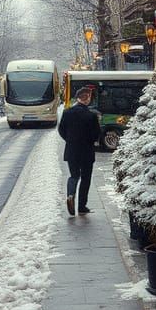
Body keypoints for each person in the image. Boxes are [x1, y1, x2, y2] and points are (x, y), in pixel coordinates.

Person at [57, 84, 102, 217]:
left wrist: (70, 140)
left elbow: (61, 130)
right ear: (87, 98)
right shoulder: (91, 116)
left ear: (77, 98)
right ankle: (82, 206)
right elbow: (96, 134)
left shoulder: (67, 112)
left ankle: (71, 194)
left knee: (74, 175)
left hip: (72, 151)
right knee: (86, 178)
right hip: (87, 152)